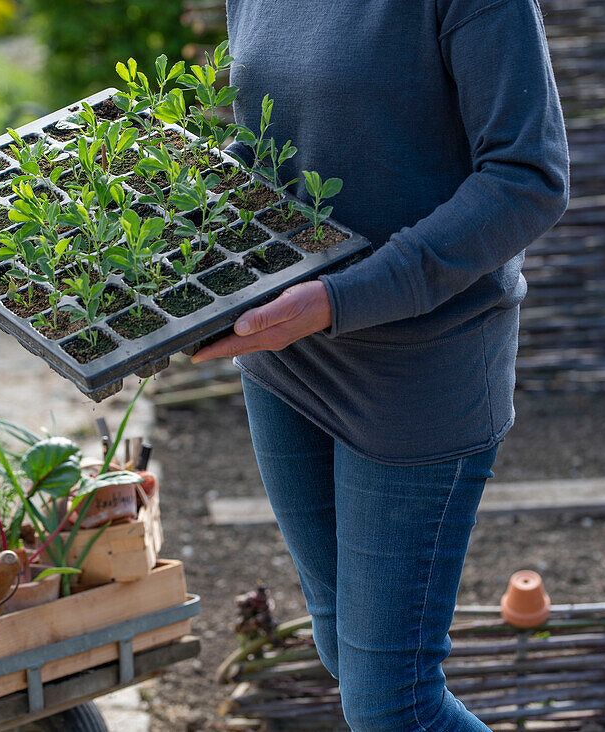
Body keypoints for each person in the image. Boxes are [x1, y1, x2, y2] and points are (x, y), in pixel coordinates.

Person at [191, 0, 570, 728]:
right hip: (286, 361)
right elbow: (267, 141)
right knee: (343, 647)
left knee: (392, 706)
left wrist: (342, 298)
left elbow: (528, 177)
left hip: (419, 374)